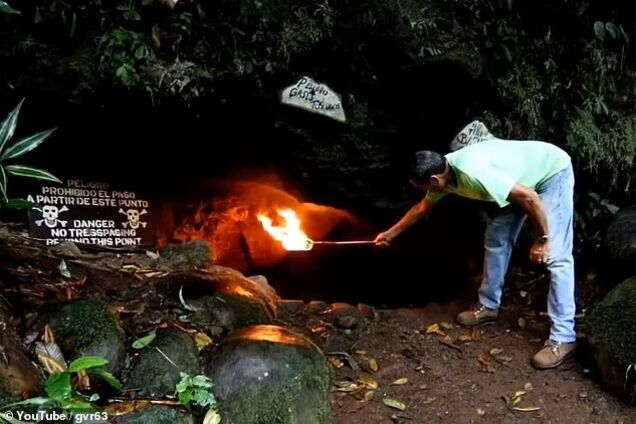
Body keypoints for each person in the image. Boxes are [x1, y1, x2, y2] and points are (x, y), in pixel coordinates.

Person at [374, 123, 577, 369]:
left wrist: (542, 239)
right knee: (496, 236)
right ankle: (489, 306)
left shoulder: (475, 172)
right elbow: (422, 209)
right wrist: (390, 234)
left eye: (421, 187)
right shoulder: (444, 174)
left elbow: (529, 198)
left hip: (550, 173)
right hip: (521, 183)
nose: (421, 191)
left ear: (434, 180)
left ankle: (563, 338)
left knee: (556, 256)